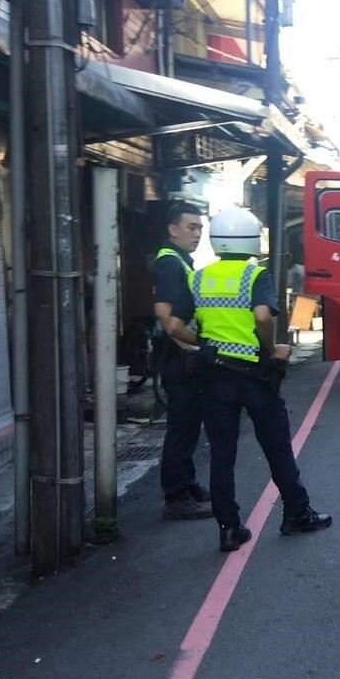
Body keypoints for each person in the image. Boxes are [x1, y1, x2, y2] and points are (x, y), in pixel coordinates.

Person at [168, 207, 331, 552]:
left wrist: (206, 344)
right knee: (277, 448)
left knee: (222, 455)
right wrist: (272, 348)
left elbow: (173, 325)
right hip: (256, 376)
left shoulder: (198, 277)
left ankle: (229, 528)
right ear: (252, 239)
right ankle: (296, 513)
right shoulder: (255, 275)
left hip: (215, 378)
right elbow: (260, 315)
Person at [152, 202, 212, 520]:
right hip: (179, 361)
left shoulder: (180, 262)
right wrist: (199, 345)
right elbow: (166, 317)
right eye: (191, 227)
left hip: (183, 359)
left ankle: (187, 486)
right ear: (172, 229)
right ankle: (176, 497)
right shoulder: (169, 264)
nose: (197, 233)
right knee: (181, 427)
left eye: (200, 227)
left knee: (188, 426)